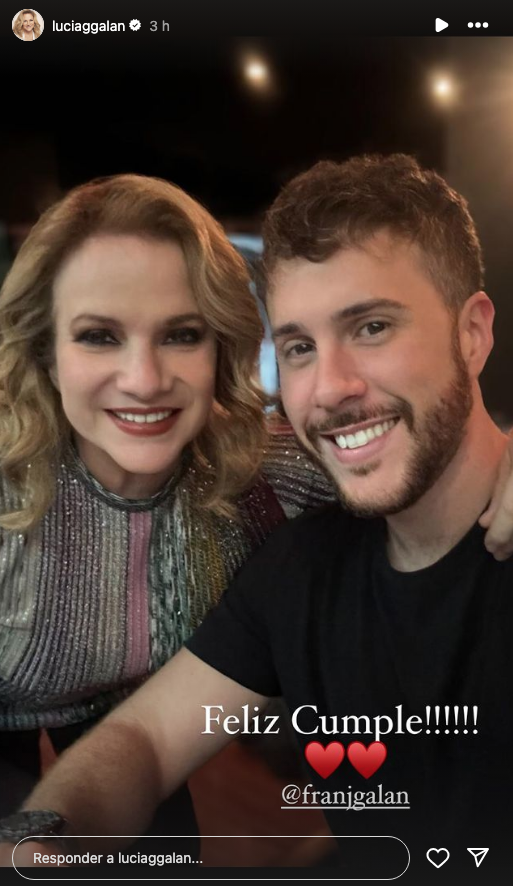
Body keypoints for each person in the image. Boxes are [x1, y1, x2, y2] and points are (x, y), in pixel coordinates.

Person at [2, 156, 513, 881]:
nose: (329, 389)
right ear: (47, 356)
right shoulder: (301, 564)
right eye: (300, 347)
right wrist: (41, 848)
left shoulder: (269, 482)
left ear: (472, 334)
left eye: (371, 326)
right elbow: (144, 740)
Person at [0, 173, 334, 827]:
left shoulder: (270, 476)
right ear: (48, 354)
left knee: (168, 847)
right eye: (99, 335)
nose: (145, 381)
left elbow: (425, 467)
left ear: (221, 346)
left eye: (181, 334)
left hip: (132, 720)